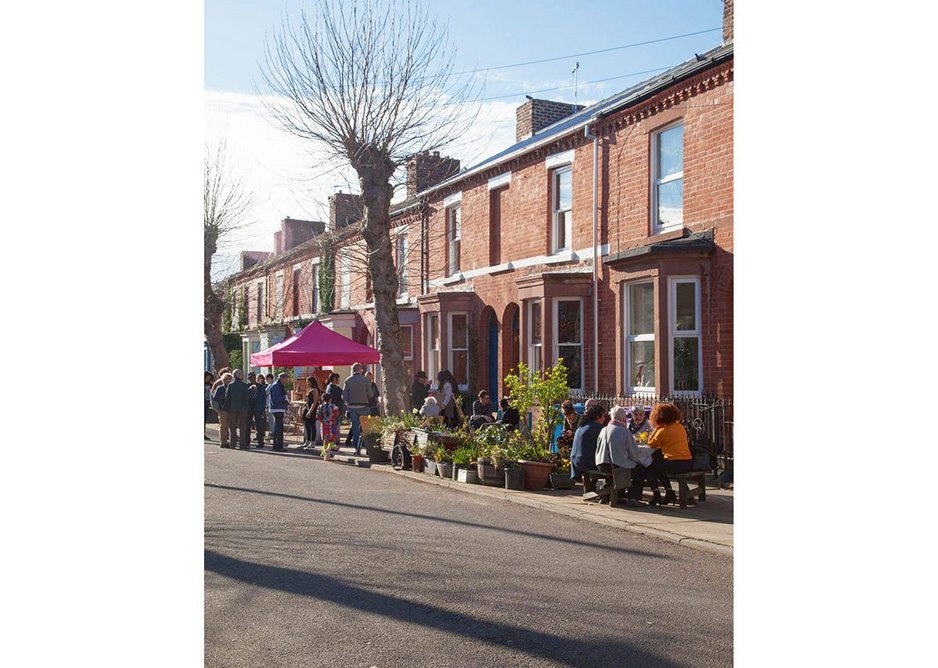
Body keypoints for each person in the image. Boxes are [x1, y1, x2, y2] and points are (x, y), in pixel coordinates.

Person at [594, 405, 657, 506]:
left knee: (626, 468)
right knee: (640, 469)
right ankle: (633, 498)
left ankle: (614, 495)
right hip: (615, 464)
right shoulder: (624, 431)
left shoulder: (604, 429)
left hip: (601, 464)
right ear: (623, 418)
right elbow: (633, 453)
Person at [643, 402, 693, 507]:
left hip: (674, 464)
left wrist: (656, 427)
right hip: (688, 462)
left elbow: (651, 444)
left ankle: (657, 493)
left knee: (650, 468)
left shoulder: (662, 430)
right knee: (659, 465)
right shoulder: (680, 427)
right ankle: (669, 492)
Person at [344, 363, 374, 456]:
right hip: (364, 406)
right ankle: (369, 448)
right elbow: (371, 394)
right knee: (366, 428)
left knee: (355, 428)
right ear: (360, 369)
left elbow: (344, 396)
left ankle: (357, 448)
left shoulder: (348, 380)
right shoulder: (365, 380)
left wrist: (349, 402)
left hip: (352, 407)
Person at [570, 403, 605, 483]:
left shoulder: (581, 426)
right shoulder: (598, 428)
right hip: (585, 463)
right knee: (613, 469)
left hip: (575, 462)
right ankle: (609, 491)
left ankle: (593, 488)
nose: (604, 419)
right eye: (603, 416)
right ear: (597, 417)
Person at [226, 369, 252, 450]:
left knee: (233, 426)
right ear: (240, 375)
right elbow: (247, 397)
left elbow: (227, 397)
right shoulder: (244, 385)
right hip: (243, 408)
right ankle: (242, 444)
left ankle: (232, 444)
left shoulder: (230, 385)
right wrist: (251, 391)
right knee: (242, 426)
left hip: (233, 408)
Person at [268, 372, 289, 451]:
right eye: (286, 379)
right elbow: (276, 398)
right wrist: (285, 397)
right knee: (279, 428)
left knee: (278, 427)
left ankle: (277, 445)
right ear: (281, 378)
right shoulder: (276, 386)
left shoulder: (278, 385)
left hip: (278, 408)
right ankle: (278, 446)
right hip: (277, 408)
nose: (287, 381)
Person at [211, 372, 233, 448]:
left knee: (226, 427)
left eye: (229, 379)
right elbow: (215, 398)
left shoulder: (222, 388)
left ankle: (227, 442)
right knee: (224, 427)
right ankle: (224, 442)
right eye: (227, 379)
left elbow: (215, 398)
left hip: (227, 409)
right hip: (224, 410)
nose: (228, 381)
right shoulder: (221, 388)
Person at [318, 392, 340, 460]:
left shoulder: (320, 406)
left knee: (325, 439)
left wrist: (322, 421)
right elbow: (337, 414)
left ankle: (324, 453)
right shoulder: (333, 406)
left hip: (324, 425)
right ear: (330, 399)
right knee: (332, 438)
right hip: (332, 424)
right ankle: (329, 449)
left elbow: (318, 416)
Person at [301, 376, 321, 450]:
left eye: (308, 382)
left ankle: (312, 442)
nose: (307, 383)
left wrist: (310, 411)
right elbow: (307, 401)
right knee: (307, 425)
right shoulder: (309, 389)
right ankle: (307, 440)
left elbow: (314, 402)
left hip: (312, 409)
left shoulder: (315, 390)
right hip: (307, 407)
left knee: (312, 425)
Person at [323, 373, 344, 443]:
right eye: (338, 378)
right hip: (335, 411)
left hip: (330, 411)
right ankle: (331, 444)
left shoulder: (328, 387)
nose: (339, 380)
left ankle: (330, 443)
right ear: (335, 379)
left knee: (331, 428)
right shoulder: (335, 389)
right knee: (333, 428)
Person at [250, 372, 268, 448]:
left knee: (259, 426)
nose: (253, 379)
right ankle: (247, 441)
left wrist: (263, 410)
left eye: (254, 377)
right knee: (248, 425)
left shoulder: (261, 387)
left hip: (258, 408)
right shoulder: (247, 386)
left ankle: (260, 441)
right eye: (251, 378)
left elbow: (264, 399)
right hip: (249, 408)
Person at [204, 371, 214, 440]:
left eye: (209, 378)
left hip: (206, 401)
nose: (208, 379)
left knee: (204, 418)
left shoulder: (210, 384)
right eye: (207, 378)